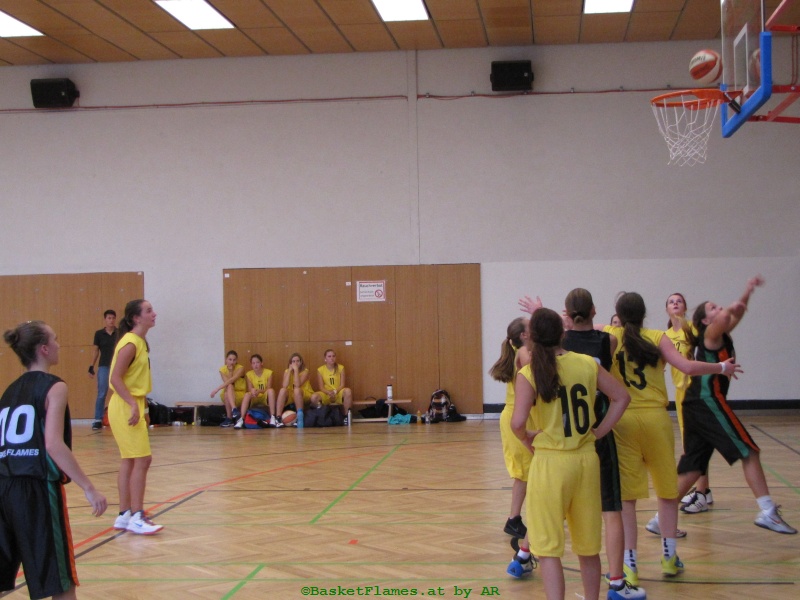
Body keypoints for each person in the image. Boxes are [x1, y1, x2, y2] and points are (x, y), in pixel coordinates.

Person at [603, 292, 741, 584]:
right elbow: (688, 367)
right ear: (644, 313)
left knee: (627, 500)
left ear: (618, 314)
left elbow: (576, 329)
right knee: (667, 493)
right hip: (656, 420)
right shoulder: (658, 337)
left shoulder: (609, 335)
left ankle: (630, 565)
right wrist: (721, 367)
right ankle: (669, 557)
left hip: (623, 421)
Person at [510, 308, 631, 600]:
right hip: (586, 460)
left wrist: (527, 440)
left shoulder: (529, 373)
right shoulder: (587, 363)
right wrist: (599, 431)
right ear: (563, 334)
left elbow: (517, 423)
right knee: (588, 548)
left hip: (551, 463)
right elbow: (621, 397)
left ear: (531, 338)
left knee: (549, 549)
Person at [676, 276, 796, 534]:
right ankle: (767, 511)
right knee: (749, 451)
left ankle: (659, 517)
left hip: (695, 404)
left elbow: (736, 314)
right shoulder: (710, 334)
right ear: (705, 321)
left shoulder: (721, 332)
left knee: (694, 467)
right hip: (707, 401)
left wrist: (746, 293)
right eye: (713, 308)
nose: (720, 309)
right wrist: (732, 305)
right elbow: (728, 315)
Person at [1, 321, 107, 600]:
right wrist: (89, 488)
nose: (59, 344)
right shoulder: (54, 386)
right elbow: (53, 444)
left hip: (3, 486)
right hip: (36, 490)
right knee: (60, 581)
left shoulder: (10, 390)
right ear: (44, 349)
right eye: (55, 339)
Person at [561, 289, 645, 600]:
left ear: (567, 314)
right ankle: (617, 582)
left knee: (558, 507)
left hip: (565, 434)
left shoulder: (561, 344)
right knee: (611, 509)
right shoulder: (606, 341)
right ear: (595, 310)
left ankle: (527, 552)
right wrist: (602, 430)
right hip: (597, 428)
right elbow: (618, 394)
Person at [107, 299, 163, 535]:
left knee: (130, 460)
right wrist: (132, 404)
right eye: (149, 311)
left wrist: (144, 409)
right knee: (142, 460)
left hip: (132, 404)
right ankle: (137, 516)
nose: (154, 313)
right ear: (136, 318)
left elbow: (135, 381)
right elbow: (115, 378)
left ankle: (124, 514)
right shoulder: (130, 343)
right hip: (124, 405)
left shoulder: (140, 342)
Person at [664, 293, 713, 516]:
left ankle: (701, 493)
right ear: (666, 309)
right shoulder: (665, 336)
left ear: (685, 307)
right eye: (671, 301)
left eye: (679, 301)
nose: (675, 303)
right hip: (680, 393)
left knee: (696, 445)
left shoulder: (692, 330)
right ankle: (704, 490)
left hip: (696, 392)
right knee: (688, 443)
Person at [489, 316, 533, 542]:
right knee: (525, 473)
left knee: (526, 473)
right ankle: (514, 519)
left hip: (517, 415)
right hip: (518, 417)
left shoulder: (517, 351)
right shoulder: (523, 352)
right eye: (531, 326)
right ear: (524, 335)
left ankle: (515, 518)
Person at [88, 309, 117, 430]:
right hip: (104, 365)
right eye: (109, 318)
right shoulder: (99, 334)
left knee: (119, 392)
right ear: (105, 319)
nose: (111, 320)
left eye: (113, 318)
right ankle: (98, 419)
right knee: (102, 393)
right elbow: (96, 351)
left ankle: (119, 417)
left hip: (117, 366)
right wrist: (91, 366)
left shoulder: (119, 333)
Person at [310, 349, 353, 425]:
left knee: (348, 391)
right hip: (326, 393)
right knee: (314, 397)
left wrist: (335, 391)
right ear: (325, 359)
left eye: (333, 356)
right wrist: (328, 392)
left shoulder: (341, 368)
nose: (332, 358)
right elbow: (321, 387)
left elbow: (342, 384)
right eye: (329, 356)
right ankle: (322, 415)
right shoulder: (320, 369)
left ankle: (346, 416)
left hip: (338, 392)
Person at [234, 354, 275, 429]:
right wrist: (252, 390)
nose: (255, 365)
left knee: (271, 391)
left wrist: (259, 391)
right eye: (253, 363)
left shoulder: (269, 373)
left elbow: (268, 388)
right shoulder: (249, 374)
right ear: (251, 365)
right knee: (247, 394)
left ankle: (273, 417)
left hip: (264, 396)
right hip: (254, 396)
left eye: (257, 362)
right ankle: (241, 419)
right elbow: (250, 388)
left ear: (261, 363)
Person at [275, 352, 314, 428]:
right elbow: (284, 385)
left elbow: (297, 385)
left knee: (297, 390)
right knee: (282, 390)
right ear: (290, 363)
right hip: (291, 394)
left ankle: (299, 416)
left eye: (297, 361)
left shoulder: (305, 371)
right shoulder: (287, 371)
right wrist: (289, 371)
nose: (295, 363)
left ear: (301, 362)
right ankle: (278, 418)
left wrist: (296, 371)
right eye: (293, 361)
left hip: (303, 394)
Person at [210, 350, 246, 428]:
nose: (232, 362)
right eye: (230, 359)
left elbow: (232, 380)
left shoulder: (240, 368)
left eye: (234, 360)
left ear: (237, 360)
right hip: (229, 392)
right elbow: (228, 382)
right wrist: (230, 371)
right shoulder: (222, 369)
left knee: (228, 391)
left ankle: (229, 418)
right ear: (226, 360)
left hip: (239, 393)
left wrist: (217, 389)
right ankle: (234, 410)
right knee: (228, 390)